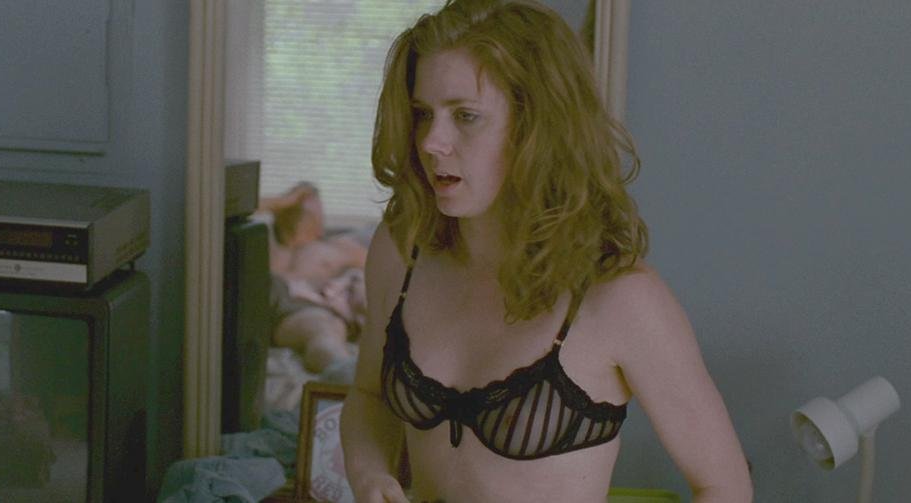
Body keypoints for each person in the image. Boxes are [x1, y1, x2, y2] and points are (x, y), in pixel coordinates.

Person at [340, 1, 753, 502]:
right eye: (423, 113)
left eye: (465, 116)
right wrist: (370, 474)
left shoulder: (619, 299)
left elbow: (725, 486)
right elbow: (369, 396)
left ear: (536, 127)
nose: (431, 141)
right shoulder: (401, 250)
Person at [259, 183, 369, 373]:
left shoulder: (336, 246)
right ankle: (341, 369)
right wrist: (278, 202)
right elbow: (221, 209)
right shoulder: (262, 241)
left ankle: (344, 371)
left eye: (311, 212)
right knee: (321, 325)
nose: (303, 215)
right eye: (295, 206)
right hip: (277, 301)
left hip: (319, 305)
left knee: (327, 326)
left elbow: (385, 269)